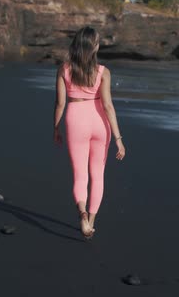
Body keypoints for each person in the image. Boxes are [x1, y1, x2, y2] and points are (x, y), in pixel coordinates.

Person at [53, 26, 126, 240]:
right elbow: (108, 106)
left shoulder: (64, 69)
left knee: (80, 175)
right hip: (100, 123)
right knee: (98, 175)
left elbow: (60, 103)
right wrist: (119, 139)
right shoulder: (103, 72)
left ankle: (82, 216)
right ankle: (91, 223)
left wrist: (56, 128)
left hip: (75, 120)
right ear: (94, 47)